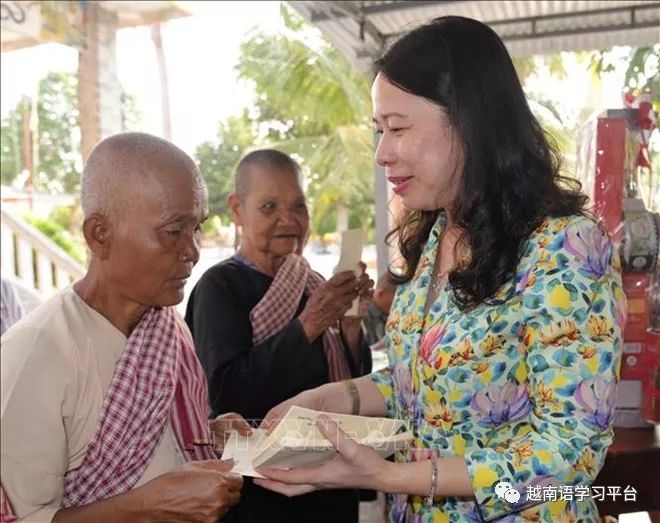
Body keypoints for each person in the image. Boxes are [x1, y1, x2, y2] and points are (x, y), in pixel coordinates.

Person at [253, 17, 626, 523]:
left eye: (398, 128)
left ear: (470, 123)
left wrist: (390, 477)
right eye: (378, 130)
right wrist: (328, 399)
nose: (383, 153)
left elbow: (571, 453)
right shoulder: (437, 235)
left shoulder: (564, 245)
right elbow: (425, 384)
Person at [1, 132, 248, 522]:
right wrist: (150, 505)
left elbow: (154, 447)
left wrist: (208, 433)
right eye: (173, 231)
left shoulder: (167, 329)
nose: (192, 251)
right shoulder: (39, 349)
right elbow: (25, 517)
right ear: (100, 235)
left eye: (196, 228)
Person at [185, 148, 374, 522]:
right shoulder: (220, 287)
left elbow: (351, 385)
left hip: (330, 486)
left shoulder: (312, 284)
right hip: (262, 493)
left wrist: (350, 327)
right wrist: (311, 323)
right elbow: (225, 393)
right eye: (269, 207)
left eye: (298, 208)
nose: (288, 220)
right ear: (237, 210)